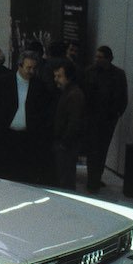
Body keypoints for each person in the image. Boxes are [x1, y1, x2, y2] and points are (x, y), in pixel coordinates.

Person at [0, 50, 50, 184]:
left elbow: (43, 111)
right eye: (28, 68)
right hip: (5, 135)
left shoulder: (39, 86)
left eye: (34, 68)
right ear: (19, 66)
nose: (31, 71)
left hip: (27, 137)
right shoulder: (3, 82)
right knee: (4, 171)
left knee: (23, 173)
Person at [83, 45, 129, 193]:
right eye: (96, 57)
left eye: (100, 57)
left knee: (103, 149)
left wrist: (117, 113)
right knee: (93, 149)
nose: (97, 59)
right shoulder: (89, 72)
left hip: (108, 118)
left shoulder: (118, 75)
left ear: (108, 59)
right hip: (93, 117)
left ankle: (97, 177)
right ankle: (92, 180)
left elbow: (123, 97)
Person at [51, 60, 86, 190]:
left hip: (66, 145)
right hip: (65, 144)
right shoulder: (69, 93)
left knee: (65, 179)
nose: (56, 80)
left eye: (59, 76)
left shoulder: (74, 95)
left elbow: (74, 123)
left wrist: (64, 143)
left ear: (68, 77)